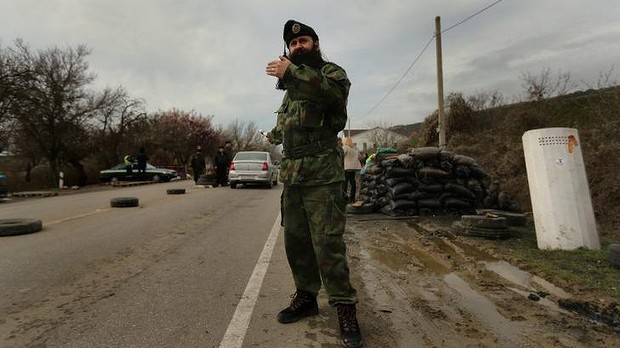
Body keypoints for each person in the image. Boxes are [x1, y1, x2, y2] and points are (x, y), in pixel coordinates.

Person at [265, 19, 363, 347]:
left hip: (323, 176)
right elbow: (289, 124)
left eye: (303, 41)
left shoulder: (332, 74)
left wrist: (291, 72)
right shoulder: (290, 92)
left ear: (315, 45)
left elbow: (331, 99)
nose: (297, 47)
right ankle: (306, 297)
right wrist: (273, 134)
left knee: (328, 244)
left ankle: (345, 307)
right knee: (297, 242)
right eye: (292, 45)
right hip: (293, 178)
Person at [342, 137, 362, 203]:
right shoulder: (354, 148)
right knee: (353, 183)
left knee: (345, 184)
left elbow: (341, 155)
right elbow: (360, 157)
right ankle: (352, 198)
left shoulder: (345, 147)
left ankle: (344, 198)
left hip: (346, 168)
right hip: (353, 169)